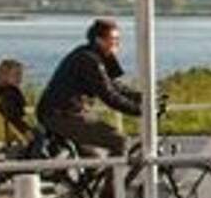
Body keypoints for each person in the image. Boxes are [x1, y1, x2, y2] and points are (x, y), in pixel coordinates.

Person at [37, 17, 144, 158]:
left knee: (94, 161)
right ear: (99, 40)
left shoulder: (96, 56)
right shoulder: (89, 59)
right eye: (114, 38)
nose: (117, 43)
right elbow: (109, 95)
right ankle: (115, 181)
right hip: (60, 115)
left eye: (118, 39)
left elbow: (114, 85)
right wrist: (141, 110)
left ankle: (92, 179)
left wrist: (142, 96)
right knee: (119, 141)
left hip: (65, 113)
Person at [0, 58, 35, 146]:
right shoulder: (11, 93)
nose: (20, 78)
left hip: (3, 129)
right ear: (3, 76)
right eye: (17, 75)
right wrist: (27, 132)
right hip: (17, 130)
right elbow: (15, 116)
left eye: (21, 75)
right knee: (41, 133)